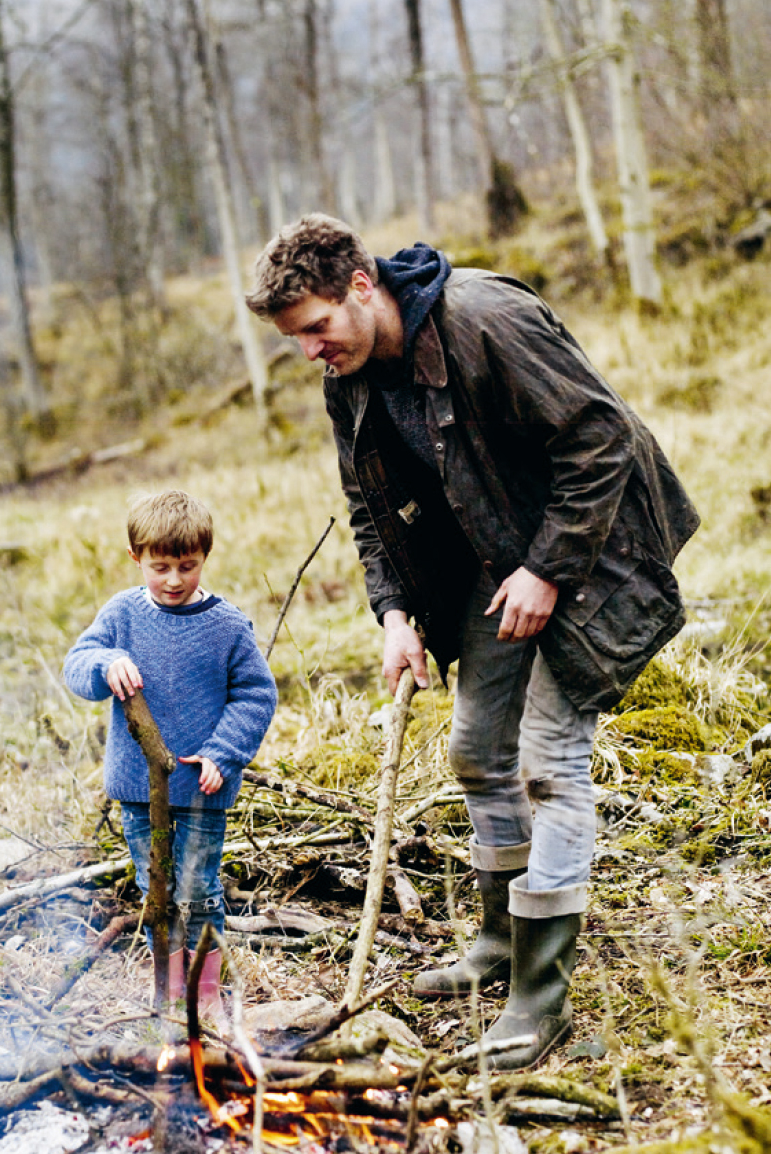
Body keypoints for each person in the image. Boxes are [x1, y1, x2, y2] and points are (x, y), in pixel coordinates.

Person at [246, 214, 698, 1069]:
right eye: (292, 339)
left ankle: (540, 993)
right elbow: (369, 511)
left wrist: (549, 569)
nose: (309, 350)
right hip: (491, 566)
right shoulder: (346, 379)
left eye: (314, 328)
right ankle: (498, 938)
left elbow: (598, 436)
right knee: (475, 752)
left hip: (593, 549)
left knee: (546, 762)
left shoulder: (483, 318)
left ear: (360, 285)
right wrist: (392, 613)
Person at [63, 490, 277, 1025]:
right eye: (161, 567)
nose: (175, 580)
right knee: (154, 889)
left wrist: (223, 753)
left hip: (202, 789)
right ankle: (168, 986)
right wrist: (106, 662)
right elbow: (77, 664)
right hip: (139, 789)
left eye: (188, 566)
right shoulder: (121, 615)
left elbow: (256, 694)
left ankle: (206, 991)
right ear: (136, 558)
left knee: (200, 889)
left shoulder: (227, 626)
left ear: (205, 556)